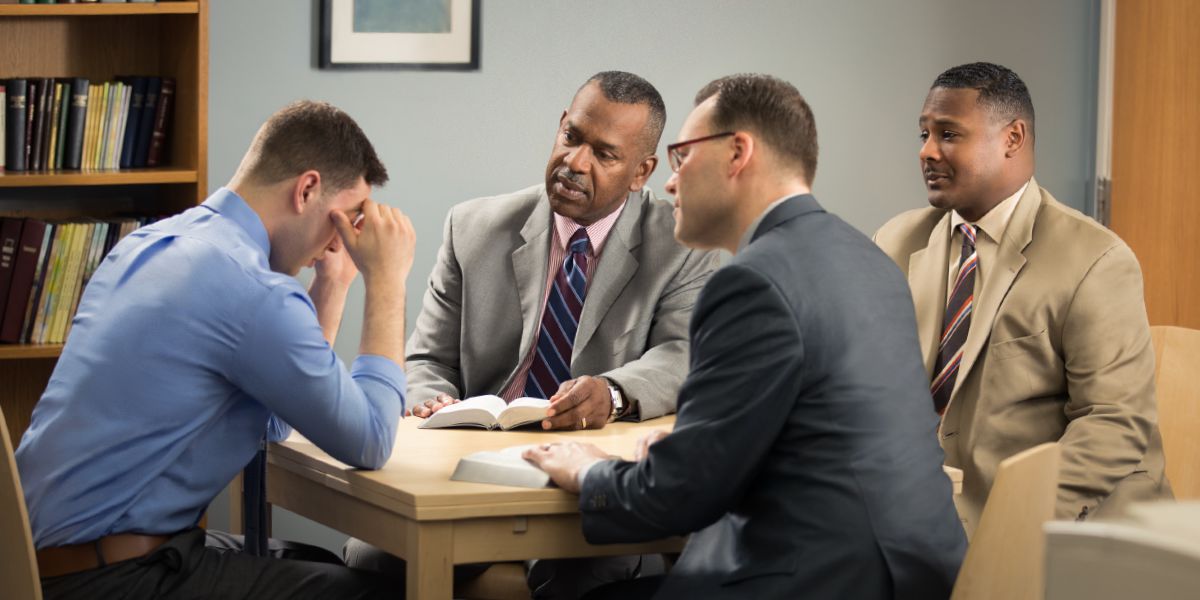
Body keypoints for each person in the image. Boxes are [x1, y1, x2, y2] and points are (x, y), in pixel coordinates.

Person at [525, 74, 966, 600]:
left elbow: (679, 500)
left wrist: (590, 470)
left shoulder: (751, 282)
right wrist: (695, 448)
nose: (670, 182)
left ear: (737, 153)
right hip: (915, 575)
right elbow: (827, 433)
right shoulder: (869, 260)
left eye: (682, 156)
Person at [16, 100, 415, 600]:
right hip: (105, 580)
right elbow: (372, 439)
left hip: (30, 564)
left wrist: (331, 287)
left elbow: (269, 422)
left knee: (317, 564)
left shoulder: (148, 244)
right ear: (307, 189)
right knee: (372, 593)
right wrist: (386, 281)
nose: (344, 239)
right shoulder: (252, 287)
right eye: (348, 216)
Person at [345, 70, 719, 600]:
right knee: (371, 559)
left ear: (642, 172)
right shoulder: (472, 226)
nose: (575, 163)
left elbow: (683, 354)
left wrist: (611, 392)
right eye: (572, 138)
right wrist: (432, 402)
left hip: (583, 478)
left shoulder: (681, 244)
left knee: (586, 578)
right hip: (466, 467)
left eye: (605, 155)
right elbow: (427, 358)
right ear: (561, 125)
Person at [873, 62, 1171, 534]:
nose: (927, 152)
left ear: (1013, 138)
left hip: (1058, 526)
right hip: (921, 513)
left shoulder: (1096, 260)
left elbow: (1112, 424)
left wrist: (1007, 527)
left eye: (949, 134)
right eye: (923, 134)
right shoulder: (896, 241)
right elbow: (870, 385)